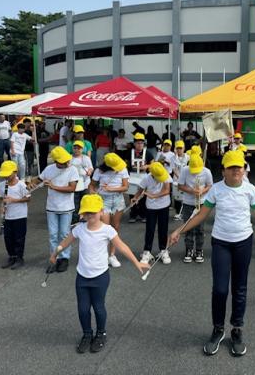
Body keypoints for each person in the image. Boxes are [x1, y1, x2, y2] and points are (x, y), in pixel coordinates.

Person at [169, 150, 255, 356]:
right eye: (231, 167)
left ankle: (236, 329)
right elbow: (202, 214)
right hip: (221, 243)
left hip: (243, 243)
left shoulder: (250, 190)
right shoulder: (216, 190)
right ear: (224, 171)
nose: (237, 170)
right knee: (220, 289)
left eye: (239, 166)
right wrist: (179, 230)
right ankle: (218, 329)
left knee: (239, 288)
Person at [48, 194, 149, 354]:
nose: (90, 216)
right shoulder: (79, 229)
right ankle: (87, 334)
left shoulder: (107, 230)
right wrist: (55, 254)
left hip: (100, 277)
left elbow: (122, 247)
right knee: (82, 309)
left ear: (101, 212)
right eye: (86, 213)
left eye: (93, 213)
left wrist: (137, 263)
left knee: (98, 307)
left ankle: (101, 334)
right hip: (82, 276)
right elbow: (65, 242)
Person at [28, 146, 79, 273]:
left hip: (66, 208)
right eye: (63, 161)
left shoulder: (73, 170)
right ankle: (54, 258)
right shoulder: (49, 169)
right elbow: (38, 180)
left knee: (64, 234)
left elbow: (72, 188)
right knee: (52, 235)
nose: (67, 162)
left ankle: (64, 258)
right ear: (56, 161)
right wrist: (29, 184)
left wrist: (53, 186)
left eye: (67, 160)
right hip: (51, 207)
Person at [90, 153, 130, 268]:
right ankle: (102, 255)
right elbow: (91, 185)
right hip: (104, 200)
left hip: (118, 200)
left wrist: (111, 188)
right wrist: (93, 194)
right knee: (104, 228)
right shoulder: (99, 171)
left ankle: (112, 255)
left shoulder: (122, 169)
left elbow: (125, 187)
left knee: (115, 227)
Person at [132, 162, 172, 265]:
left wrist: (154, 196)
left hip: (164, 205)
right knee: (150, 229)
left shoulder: (165, 174)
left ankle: (163, 250)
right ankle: (147, 251)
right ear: (152, 174)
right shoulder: (146, 178)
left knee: (163, 228)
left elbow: (167, 191)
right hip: (151, 207)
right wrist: (135, 198)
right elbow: (140, 190)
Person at [178, 154, 213, 263]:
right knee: (188, 226)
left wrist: (203, 191)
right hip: (188, 202)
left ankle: (199, 250)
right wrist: (191, 191)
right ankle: (189, 250)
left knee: (200, 228)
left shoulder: (206, 171)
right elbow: (180, 186)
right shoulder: (185, 170)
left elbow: (210, 185)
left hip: (202, 203)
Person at [0, 160, 31, 269]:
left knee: (19, 238)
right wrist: (2, 208)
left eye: (8, 174)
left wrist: (13, 200)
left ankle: (19, 258)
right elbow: (1, 199)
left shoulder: (22, 185)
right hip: (7, 217)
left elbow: (28, 198)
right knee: (8, 238)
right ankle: (11, 257)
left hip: (20, 216)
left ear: (15, 172)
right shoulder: (1, 185)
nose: (5, 177)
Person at [127, 132, 153, 223]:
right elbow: (124, 164)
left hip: (143, 176)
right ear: (134, 143)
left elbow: (153, 163)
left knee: (143, 196)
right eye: (138, 142)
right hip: (133, 176)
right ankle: (133, 214)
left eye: (141, 142)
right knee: (133, 195)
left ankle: (143, 214)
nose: (140, 144)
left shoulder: (148, 153)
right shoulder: (129, 152)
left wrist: (146, 166)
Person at [71, 140, 94, 224]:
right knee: (75, 201)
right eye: (75, 148)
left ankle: (85, 217)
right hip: (74, 183)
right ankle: (75, 218)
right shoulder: (69, 158)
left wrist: (89, 172)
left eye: (79, 148)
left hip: (85, 183)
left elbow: (91, 168)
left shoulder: (86, 158)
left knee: (84, 200)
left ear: (82, 149)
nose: (77, 150)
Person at [172, 140, 189, 219]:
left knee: (185, 197)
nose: (179, 150)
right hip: (176, 180)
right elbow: (174, 169)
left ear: (184, 148)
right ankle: (178, 212)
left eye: (180, 148)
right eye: (177, 148)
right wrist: (179, 177)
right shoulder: (173, 158)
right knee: (177, 197)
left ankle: (184, 213)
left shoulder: (188, 157)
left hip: (186, 179)